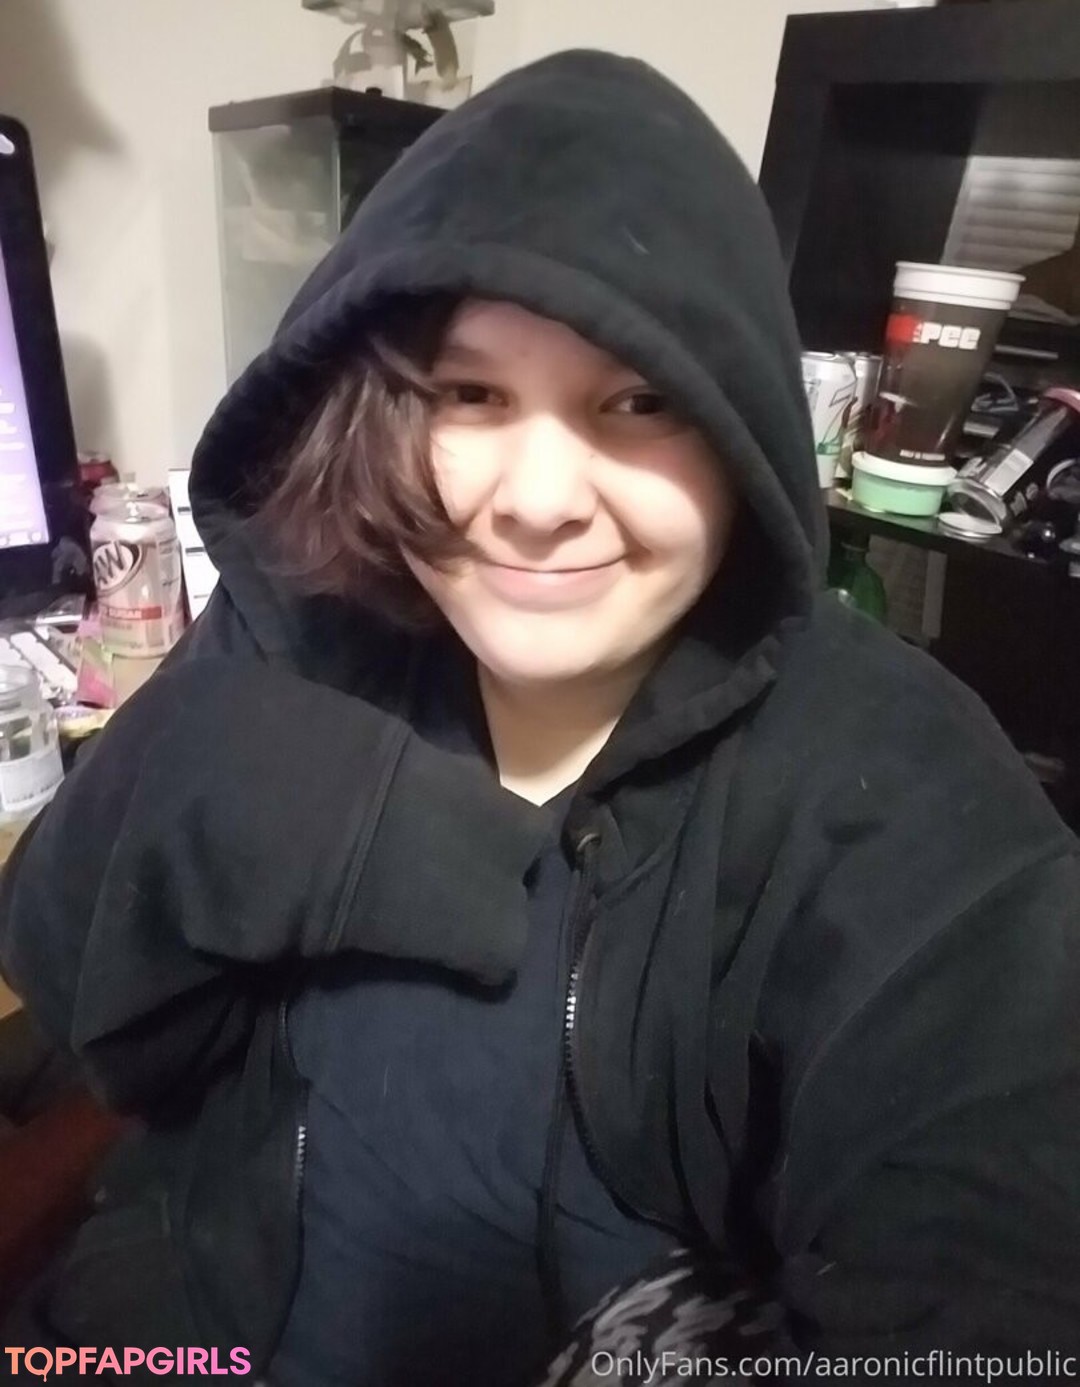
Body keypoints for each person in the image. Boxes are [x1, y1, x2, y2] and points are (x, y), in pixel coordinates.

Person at [2, 47, 1080, 1387]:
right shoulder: (316, 622)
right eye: (472, 395)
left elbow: (1001, 1279)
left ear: (742, 427)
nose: (537, 501)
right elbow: (60, 966)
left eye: (638, 402)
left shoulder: (891, 788)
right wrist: (227, 784)